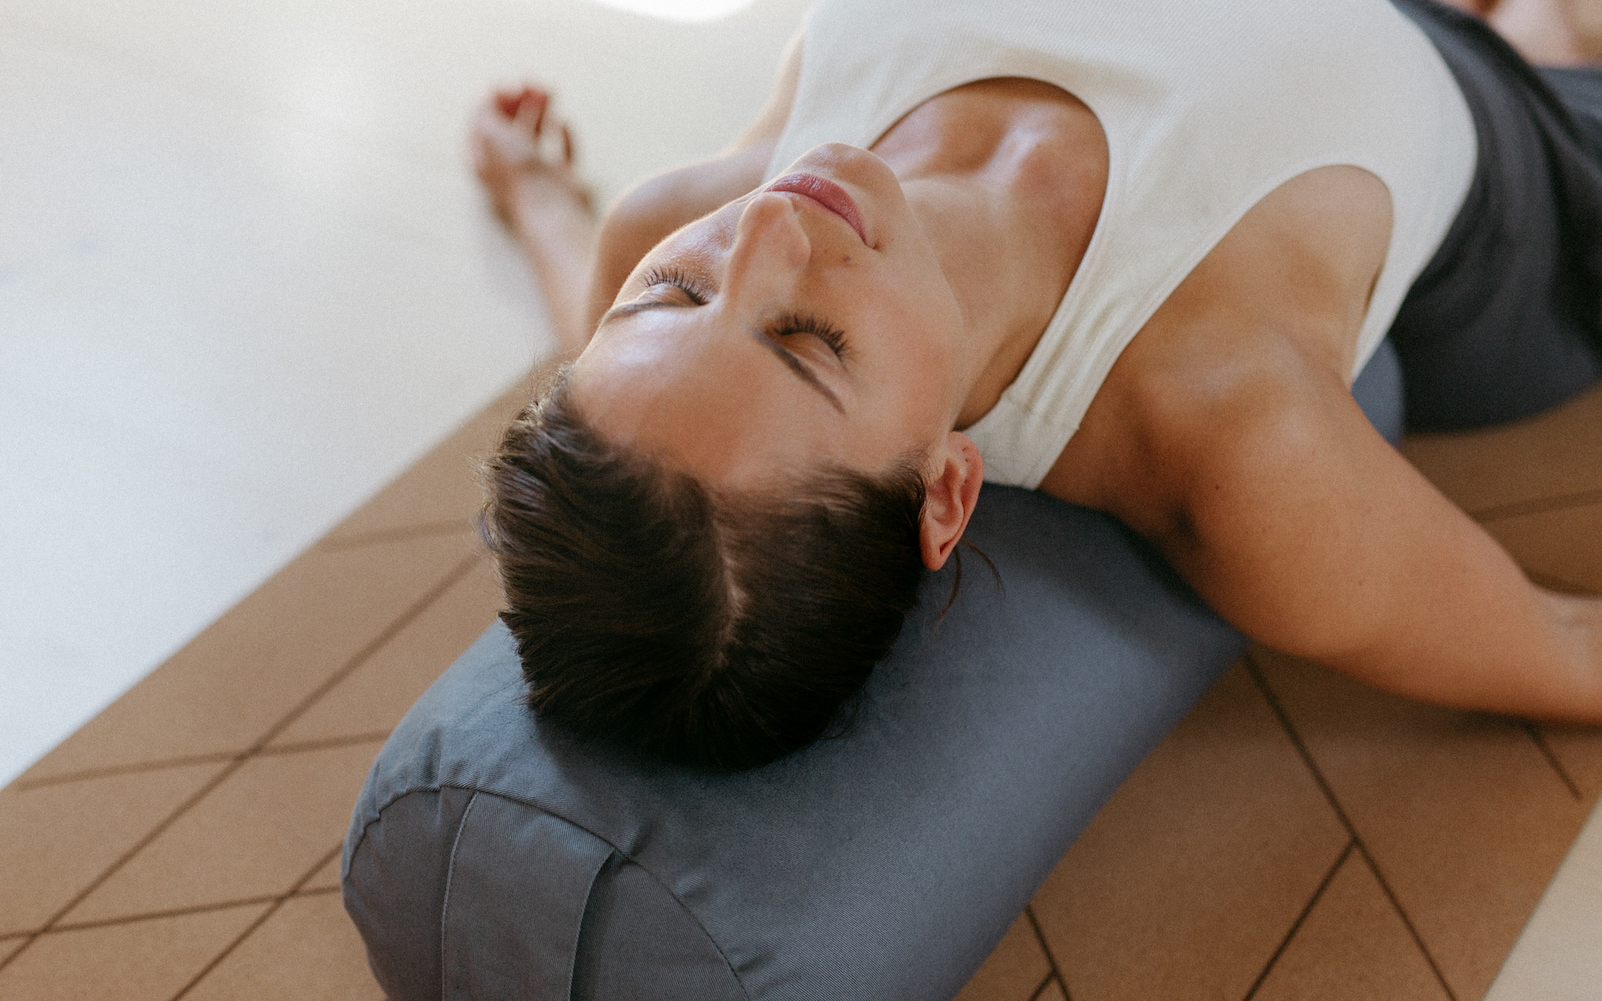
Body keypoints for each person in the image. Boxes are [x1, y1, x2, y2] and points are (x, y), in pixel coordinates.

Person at [467, 0, 1602, 769]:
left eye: (670, 297)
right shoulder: (1235, 438)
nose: (768, 224)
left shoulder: (661, 224)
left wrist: (530, 192)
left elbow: (610, 340)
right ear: (946, 491)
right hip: (1527, 163)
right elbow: (1560, 644)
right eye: (809, 343)